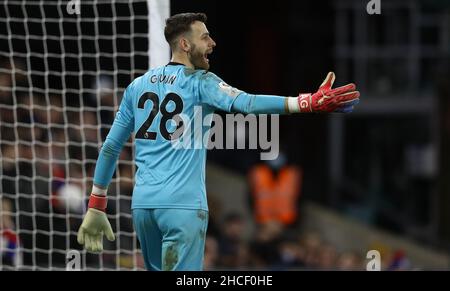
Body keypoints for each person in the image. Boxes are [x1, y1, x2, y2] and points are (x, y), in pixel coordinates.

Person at [77, 12, 360, 271]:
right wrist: (305, 103)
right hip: (182, 207)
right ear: (185, 45)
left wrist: (96, 202)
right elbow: (247, 103)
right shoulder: (201, 82)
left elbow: (111, 146)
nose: (212, 43)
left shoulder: (137, 87)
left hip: (143, 207)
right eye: (205, 37)